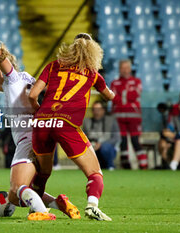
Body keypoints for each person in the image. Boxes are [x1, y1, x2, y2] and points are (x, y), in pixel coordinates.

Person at [0, 13, 81, 221]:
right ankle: (59, 203)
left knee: (17, 188)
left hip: (27, 138)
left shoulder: (12, 79)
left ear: (2, 69)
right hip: (40, 136)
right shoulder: (23, 79)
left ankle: (42, 213)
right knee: (19, 193)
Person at [28, 33, 115, 221]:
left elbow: (32, 95)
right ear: (93, 52)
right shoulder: (93, 74)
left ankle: (36, 207)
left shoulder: (53, 66)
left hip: (41, 122)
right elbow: (110, 96)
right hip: (66, 124)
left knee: (43, 172)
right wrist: (111, 92)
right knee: (94, 173)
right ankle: (92, 206)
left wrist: (40, 112)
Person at [110, 60, 147, 169]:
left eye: (127, 67)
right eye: (122, 68)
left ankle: (144, 165)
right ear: (119, 69)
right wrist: (125, 97)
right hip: (118, 116)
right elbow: (113, 98)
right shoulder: (114, 83)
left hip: (133, 117)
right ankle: (126, 166)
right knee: (122, 141)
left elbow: (135, 95)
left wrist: (122, 97)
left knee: (135, 140)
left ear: (130, 69)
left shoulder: (137, 81)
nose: (125, 70)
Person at [158, 87, 180, 166]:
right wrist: (166, 137)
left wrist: (174, 136)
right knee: (163, 143)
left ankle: (173, 166)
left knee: (179, 142)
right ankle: (167, 164)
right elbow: (168, 131)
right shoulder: (176, 118)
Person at [82, 101, 120, 170]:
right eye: (94, 110)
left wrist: (101, 144)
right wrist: (91, 145)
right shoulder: (86, 121)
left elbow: (116, 138)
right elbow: (83, 137)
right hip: (92, 147)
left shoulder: (111, 120)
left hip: (107, 148)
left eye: (98, 110)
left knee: (105, 148)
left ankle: (110, 166)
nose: (96, 112)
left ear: (103, 110)